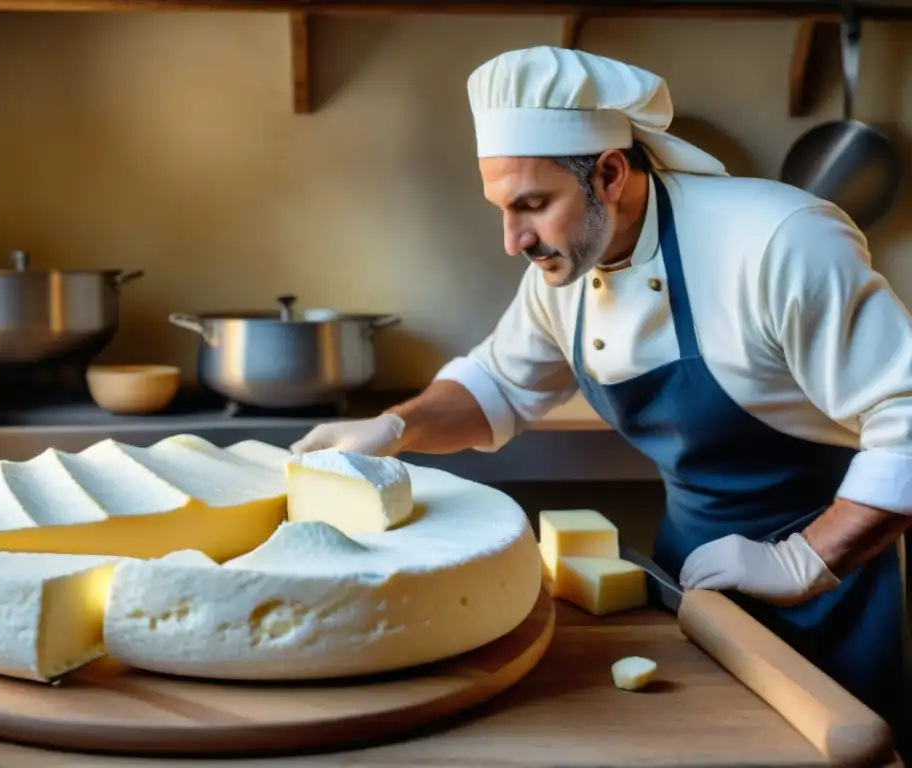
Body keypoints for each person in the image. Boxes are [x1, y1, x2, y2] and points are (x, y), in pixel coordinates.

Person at [291, 46, 912, 748]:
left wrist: (800, 560)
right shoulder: (565, 270)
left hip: (834, 587)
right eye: (502, 208)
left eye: (533, 205)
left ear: (610, 173)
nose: (513, 240)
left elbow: (908, 416)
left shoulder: (776, 241)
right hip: (692, 582)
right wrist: (392, 427)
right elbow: (498, 385)